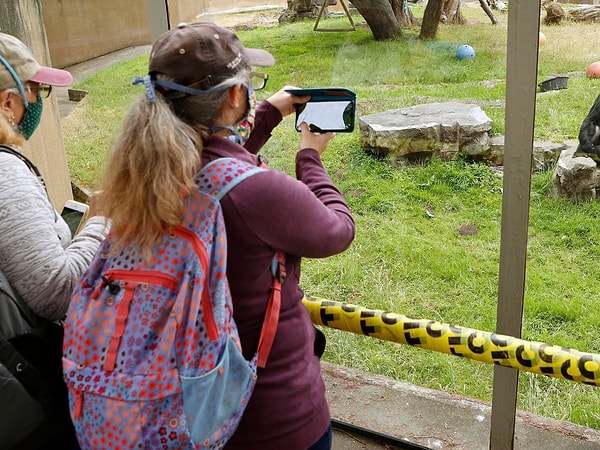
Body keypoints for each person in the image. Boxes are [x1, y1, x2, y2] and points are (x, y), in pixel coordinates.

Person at [98, 22, 355, 449]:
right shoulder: (258, 192)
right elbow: (337, 231)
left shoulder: (145, 174)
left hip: (186, 407)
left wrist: (270, 111)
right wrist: (310, 157)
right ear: (237, 97)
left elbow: (217, 160)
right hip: (271, 417)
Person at [0, 32, 109, 448]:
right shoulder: (5, 173)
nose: (39, 102)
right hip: (26, 394)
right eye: (37, 89)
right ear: (9, 102)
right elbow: (55, 291)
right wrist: (99, 222)